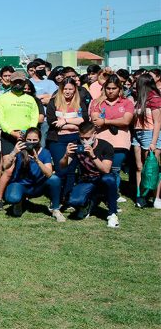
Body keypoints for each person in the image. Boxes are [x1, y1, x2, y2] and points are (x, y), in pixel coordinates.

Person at [0, 72, 40, 210]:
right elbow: (1, 118)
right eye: (15, 82)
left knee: (25, 167)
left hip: (26, 137)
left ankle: (21, 197)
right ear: (10, 83)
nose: (18, 84)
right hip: (8, 136)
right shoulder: (3, 98)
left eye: (20, 82)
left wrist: (27, 132)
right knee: (8, 168)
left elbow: (34, 117)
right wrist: (12, 132)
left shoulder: (30, 99)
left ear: (25, 83)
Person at [62, 121, 119, 228]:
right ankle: (88, 203)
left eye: (87, 138)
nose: (84, 141)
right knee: (74, 201)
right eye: (82, 138)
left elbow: (106, 170)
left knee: (109, 179)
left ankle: (112, 213)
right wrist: (66, 155)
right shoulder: (75, 145)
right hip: (86, 180)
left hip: (103, 178)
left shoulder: (106, 146)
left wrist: (93, 156)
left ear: (95, 134)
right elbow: (62, 166)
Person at [1, 127, 64, 221]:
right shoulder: (19, 150)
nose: (31, 142)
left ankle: (55, 209)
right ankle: (18, 202)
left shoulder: (45, 152)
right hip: (20, 184)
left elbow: (49, 174)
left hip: (38, 186)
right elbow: (5, 166)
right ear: (24, 139)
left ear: (39, 140)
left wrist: (38, 161)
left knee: (54, 179)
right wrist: (13, 153)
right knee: (12, 198)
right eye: (29, 140)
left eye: (35, 140)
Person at [89, 74, 133, 202]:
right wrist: (114, 121)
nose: (111, 91)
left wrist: (106, 121)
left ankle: (113, 196)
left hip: (120, 142)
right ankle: (100, 194)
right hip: (101, 141)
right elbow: (96, 120)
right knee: (100, 170)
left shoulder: (127, 103)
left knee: (115, 170)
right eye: (108, 88)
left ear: (119, 89)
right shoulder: (97, 102)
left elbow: (126, 121)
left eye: (114, 88)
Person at [45, 77, 89, 204]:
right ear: (61, 89)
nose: (68, 92)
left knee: (71, 170)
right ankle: (56, 196)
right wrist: (74, 124)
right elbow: (52, 122)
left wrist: (65, 121)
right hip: (57, 139)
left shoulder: (79, 102)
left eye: (70, 89)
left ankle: (67, 195)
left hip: (75, 139)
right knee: (60, 169)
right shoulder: (54, 102)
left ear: (75, 89)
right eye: (65, 89)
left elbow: (84, 120)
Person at [130, 73, 161, 208]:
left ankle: (156, 197)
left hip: (150, 134)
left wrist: (153, 142)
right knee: (139, 167)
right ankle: (140, 194)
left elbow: (158, 122)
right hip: (138, 134)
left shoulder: (155, 99)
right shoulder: (140, 99)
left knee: (152, 167)